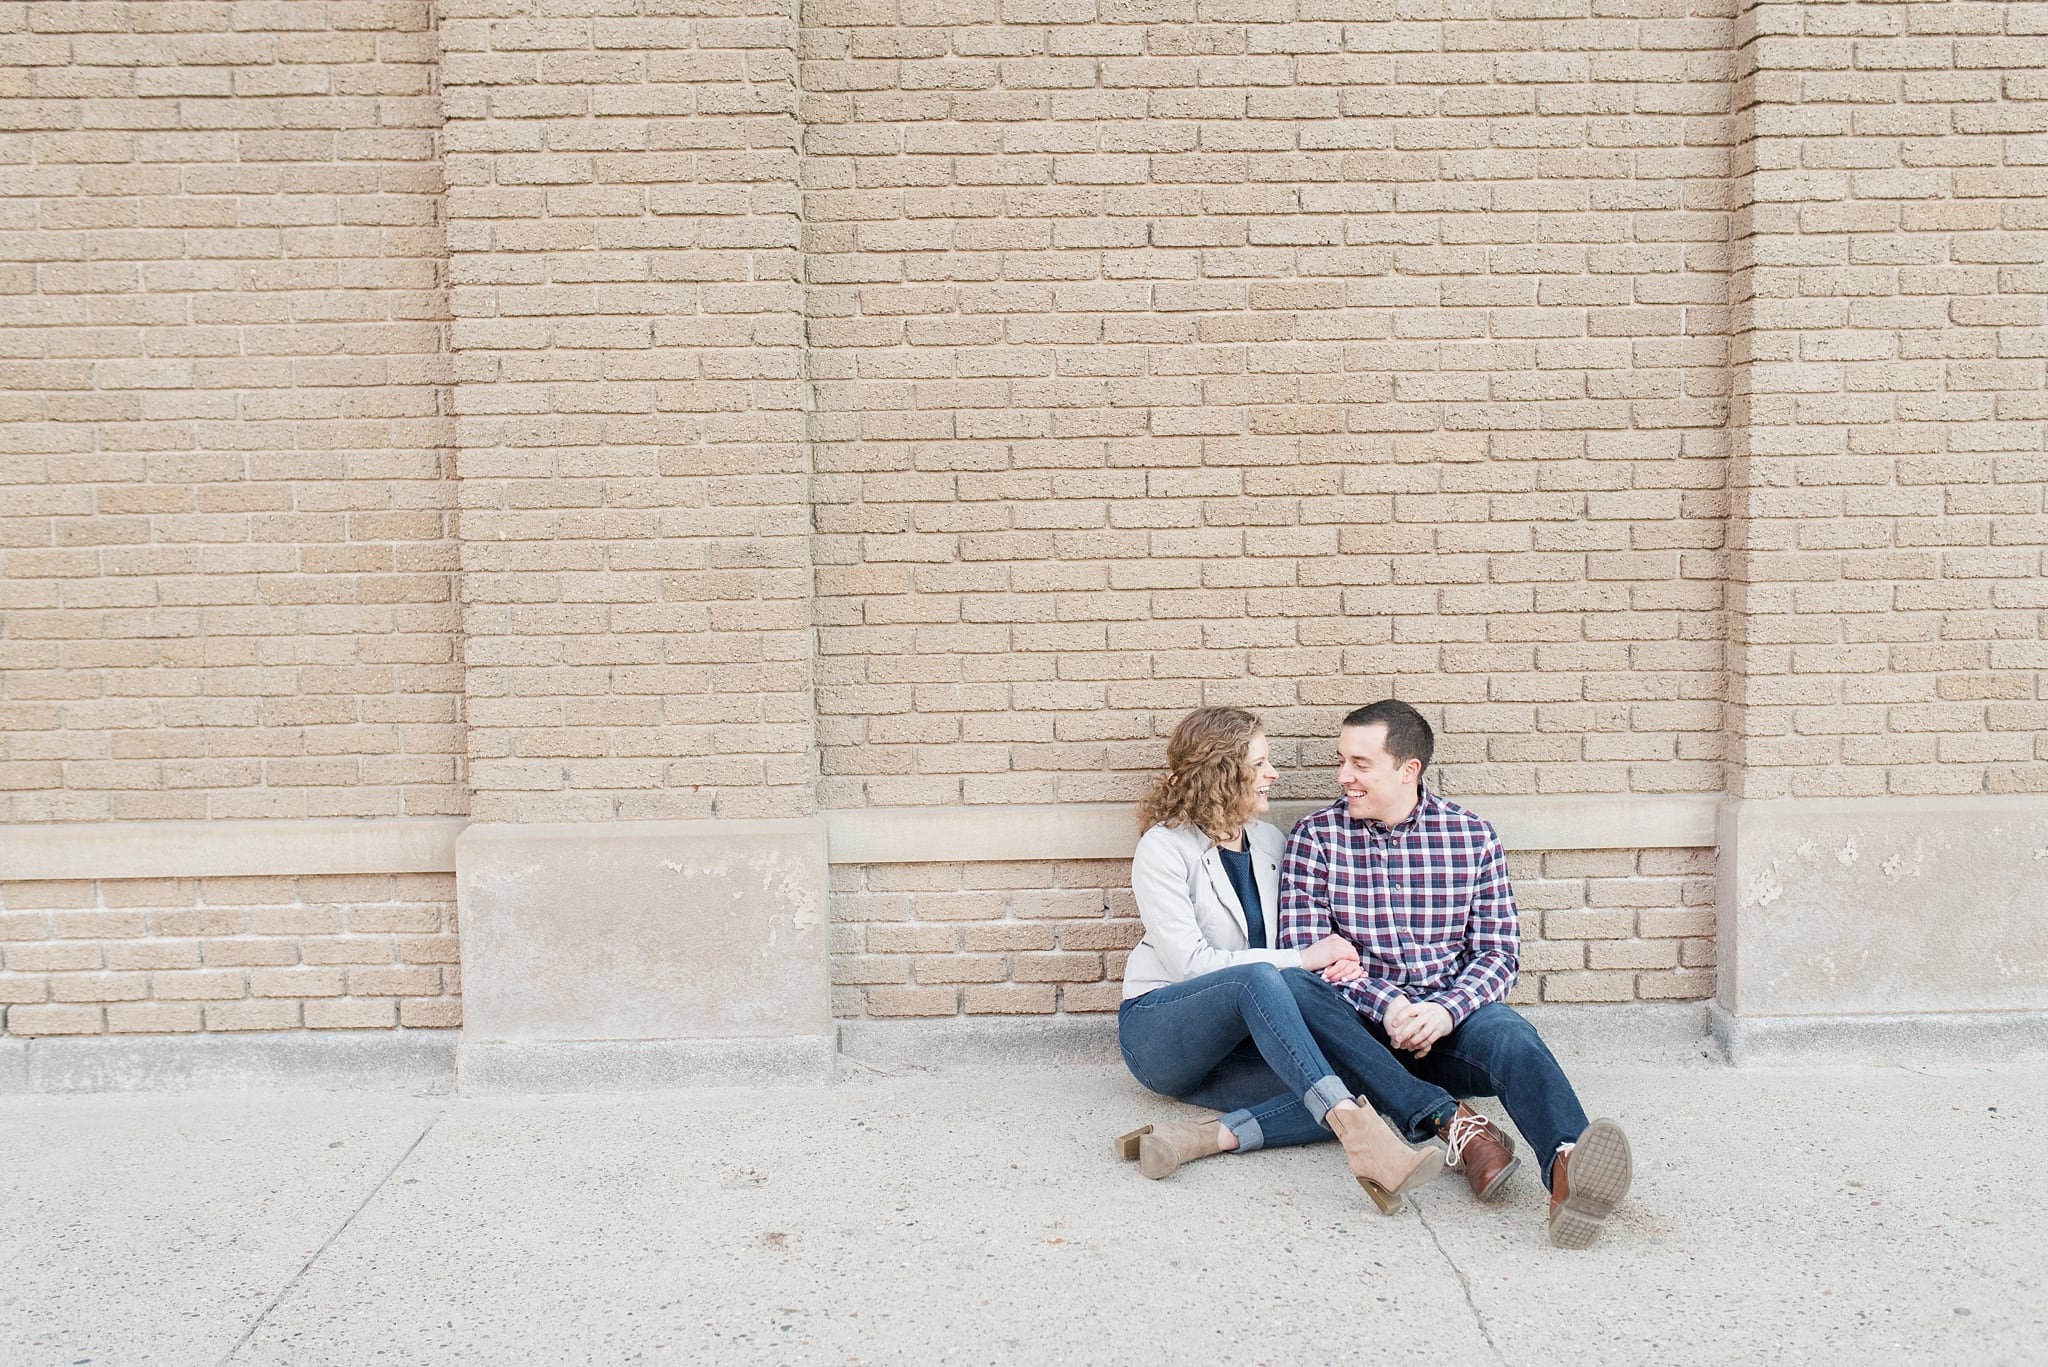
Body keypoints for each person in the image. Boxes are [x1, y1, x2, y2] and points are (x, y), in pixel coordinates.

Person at [1277, 699, 1634, 1249]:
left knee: (1510, 1033)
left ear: (1408, 769)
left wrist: (1444, 1012)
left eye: (1360, 763)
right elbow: (1307, 952)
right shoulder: (1315, 838)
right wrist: (1389, 1005)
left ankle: (1567, 1170)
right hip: (1357, 1031)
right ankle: (1459, 1126)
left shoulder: (1471, 837)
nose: (1343, 776)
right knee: (1293, 987)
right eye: (1342, 761)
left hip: (1449, 1025)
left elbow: (1498, 953)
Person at [1115, 706, 1446, 1214]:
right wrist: (1305, 957)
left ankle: (1200, 1139)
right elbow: (1190, 964)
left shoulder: (1271, 842)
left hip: (1240, 1045)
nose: (1273, 775)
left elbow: (1293, 943)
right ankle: (1373, 1143)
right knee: (1260, 979)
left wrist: (1335, 964)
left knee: (1350, 1078)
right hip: (1161, 1033)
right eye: (1260, 764)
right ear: (1222, 772)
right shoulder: (1163, 849)